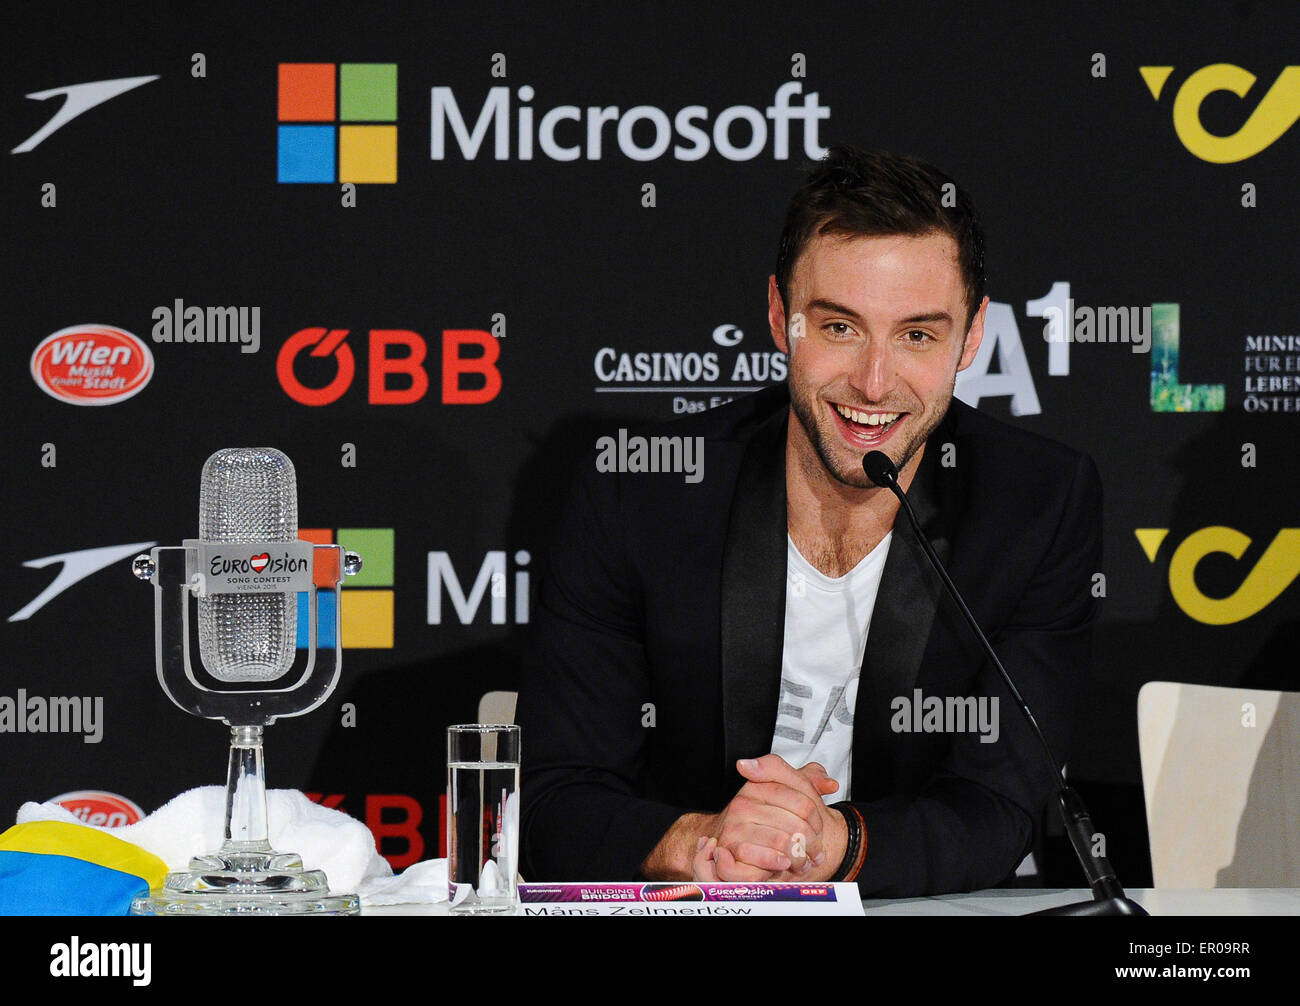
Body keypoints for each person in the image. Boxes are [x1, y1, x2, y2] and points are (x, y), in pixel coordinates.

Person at [516, 146, 1102, 895]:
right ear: (777, 316)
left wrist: (832, 844)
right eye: (838, 328)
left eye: (918, 335)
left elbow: (999, 806)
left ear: (973, 335)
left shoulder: (1036, 503)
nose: (874, 381)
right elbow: (554, 795)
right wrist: (704, 843)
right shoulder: (639, 494)